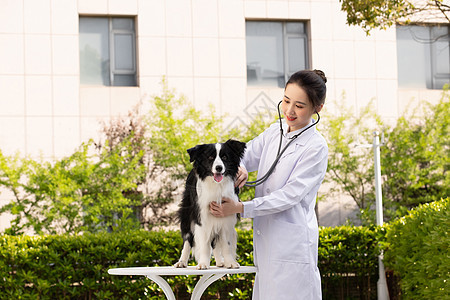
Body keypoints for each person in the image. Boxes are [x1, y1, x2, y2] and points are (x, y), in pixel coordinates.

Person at [210, 69, 328, 299]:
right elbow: (244, 154)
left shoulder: (316, 147)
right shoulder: (276, 131)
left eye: (300, 106)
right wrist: (240, 168)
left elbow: (289, 196)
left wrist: (241, 208)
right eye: (286, 101)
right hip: (266, 247)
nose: (289, 111)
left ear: (318, 109)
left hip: (292, 250)